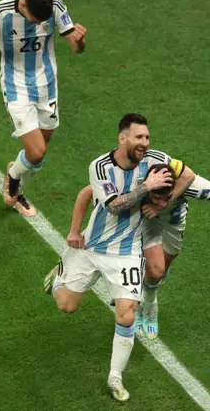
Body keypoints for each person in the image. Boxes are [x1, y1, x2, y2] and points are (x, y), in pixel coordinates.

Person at [42, 113, 193, 402]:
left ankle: (115, 377)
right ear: (122, 138)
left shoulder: (156, 159)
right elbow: (114, 206)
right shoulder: (100, 167)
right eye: (139, 137)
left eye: (147, 137)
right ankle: (58, 276)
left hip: (127, 252)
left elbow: (186, 174)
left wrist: (166, 200)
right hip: (92, 246)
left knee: (126, 315)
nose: (145, 143)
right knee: (66, 306)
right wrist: (147, 187)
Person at [69, 168, 210, 340]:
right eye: (155, 198)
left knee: (159, 272)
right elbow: (89, 191)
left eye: (165, 198)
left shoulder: (194, 187)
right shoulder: (137, 181)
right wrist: (74, 230)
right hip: (147, 222)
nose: (160, 203)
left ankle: (146, 295)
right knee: (154, 269)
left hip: (173, 226)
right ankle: (147, 307)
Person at [0, 0, 87, 216]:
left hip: (47, 86)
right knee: (36, 152)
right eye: (36, 20)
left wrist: (80, 41)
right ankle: (14, 179)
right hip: (15, 86)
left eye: (43, 21)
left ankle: (16, 186)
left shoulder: (55, 6)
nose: (40, 25)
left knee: (38, 155)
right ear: (24, 5)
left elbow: (76, 48)